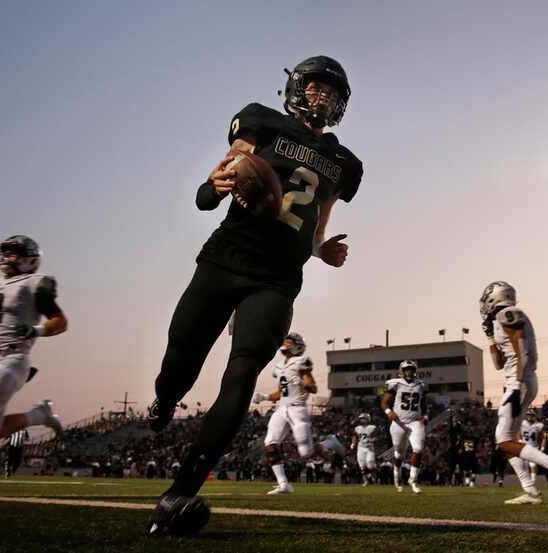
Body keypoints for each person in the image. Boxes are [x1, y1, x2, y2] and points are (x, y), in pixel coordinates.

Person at [145, 56, 363, 534]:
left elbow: (315, 228)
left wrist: (323, 250)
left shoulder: (345, 163)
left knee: (241, 374)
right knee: (180, 359)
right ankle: (164, 397)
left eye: (333, 92)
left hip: (278, 277)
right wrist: (214, 185)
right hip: (226, 258)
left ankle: (181, 490)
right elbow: (209, 191)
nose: (323, 96)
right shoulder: (262, 120)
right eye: (317, 86)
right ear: (296, 87)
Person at [0, 236, 66, 495]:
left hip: (13, 357)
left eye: (14, 254)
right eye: (5, 253)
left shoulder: (34, 284)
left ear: (29, 259)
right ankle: (38, 416)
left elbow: (60, 321)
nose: (7, 258)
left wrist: (35, 330)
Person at [479, 281, 548, 506]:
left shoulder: (508, 313)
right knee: (507, 439)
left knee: (503, 440)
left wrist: (517, 386)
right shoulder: (504, 317)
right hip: (520, 380)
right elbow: (498, 364)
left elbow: (522, 352)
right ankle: (531, 491)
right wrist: (490, 339)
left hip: (519, 382)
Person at [253, 333, 345, 494]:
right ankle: (283, 484)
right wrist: (265, 397)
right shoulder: (280, 366)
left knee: (306, 452)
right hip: (282, 409)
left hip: (298, 409)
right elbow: (281, 392)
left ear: (297, 346)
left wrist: (302, 383)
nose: (286, 345)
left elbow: (313, 388)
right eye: (286, 342)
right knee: (270, 442)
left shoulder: (301, 362)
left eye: (289, 343)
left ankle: (330, 442)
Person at [381, 360, 427, 494]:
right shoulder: (395, 384)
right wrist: (389, 412)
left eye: (411, 369)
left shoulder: (421, 385)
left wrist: (426, 415)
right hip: (398, 422)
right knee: (399, 454)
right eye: (407, 369)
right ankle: (397, 475)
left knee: (418, 449)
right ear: (402, 371)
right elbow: (384, 402)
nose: (409, 372)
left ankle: (413, 481)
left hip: (415, 421)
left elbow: (423, 403)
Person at [518, 408, 545, 482]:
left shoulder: (539, 425)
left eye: (531, 415)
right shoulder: (522, 423)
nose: (529, 417)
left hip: (534, 447)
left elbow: (543, 437)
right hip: (524, 446)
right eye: (528, 415)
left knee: (533, 465)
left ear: (534, 416)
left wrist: (542, 447)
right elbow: (518, 432)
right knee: (525, 466)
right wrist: (519, 440)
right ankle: (527, 482)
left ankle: (533, 481)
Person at [351, 413, 378, 486]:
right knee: (362, 465)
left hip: (369, 448)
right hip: (360, 447)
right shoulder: (357, 428)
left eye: (363, 418)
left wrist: (371, 440)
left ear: (368, 419)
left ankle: (373, 476)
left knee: (370, 464)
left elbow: (377, 437)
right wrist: (353, 443)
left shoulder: (372, 427)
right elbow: (354, 436)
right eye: (361, 418)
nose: (361, 420)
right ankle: (366, 481)